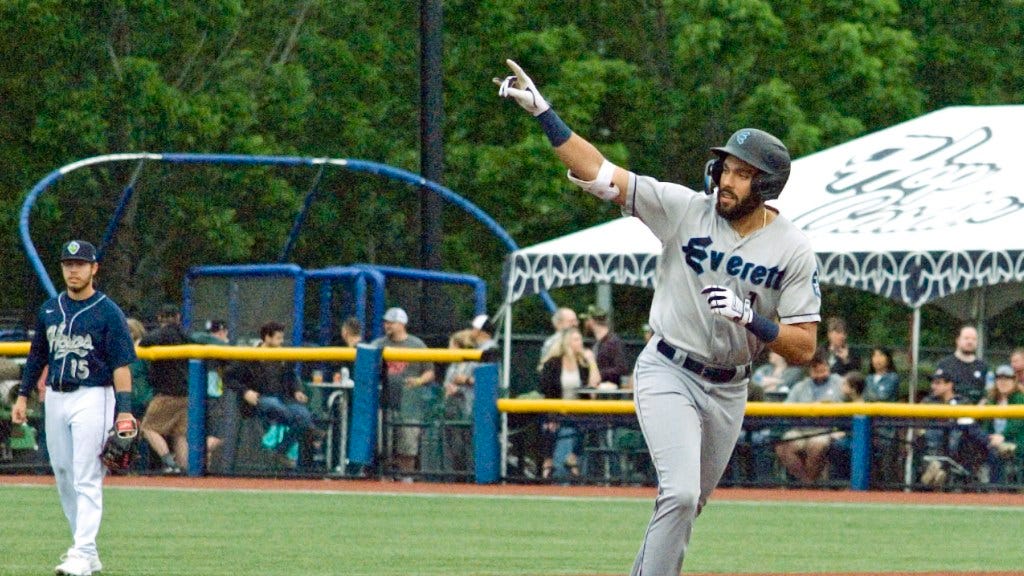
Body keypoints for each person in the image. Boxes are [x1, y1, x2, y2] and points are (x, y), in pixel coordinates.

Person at [497, 59, 820, 574]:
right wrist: (545, 114)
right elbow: (602, 174)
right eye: (725, 168)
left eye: (741, 173)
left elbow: (805, 348)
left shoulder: (793, 249)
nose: (726, 180)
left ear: (768, 185)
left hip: (729, 388)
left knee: (689, 504)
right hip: (669, 367)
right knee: (681, 492)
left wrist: (752, 319)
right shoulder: (686, 208)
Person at [10, 239, 137, 576]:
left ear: (94, 268)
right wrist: (23, 395)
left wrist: (124, 411)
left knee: (86, 474)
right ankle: (87, 550)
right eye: (68, 264)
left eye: (80, 264)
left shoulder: (108, 311)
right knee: (64, 475)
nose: (74, 270)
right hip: (56, 396)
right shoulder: (50, 309)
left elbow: (122, 365)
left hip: (94, 394)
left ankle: (80, 552)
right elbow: (38, 355)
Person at [223, 321, 323, 470]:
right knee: (277, 407)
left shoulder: (283, 355)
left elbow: (292, 377)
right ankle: (310, 430)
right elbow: (228, 377)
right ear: (267, 338)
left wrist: (297, 390)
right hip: (259, 400)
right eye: (278, 338)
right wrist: (245, 392)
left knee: (303, 413)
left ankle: (281, 451)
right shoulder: (249, 356)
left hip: (283, 400)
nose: (281, 342)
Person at [371, 307, 435, 478]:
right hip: (384, 402)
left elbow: (429, 371)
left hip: (410, 404)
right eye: (386, 323)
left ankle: (406, 481)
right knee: (384, 445)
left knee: (408, 446)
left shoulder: (417, 345)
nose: (387, 326)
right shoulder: (378, 344)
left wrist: (419, 381)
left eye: (391, 323)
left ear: (402, 324)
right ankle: (386, 479)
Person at [537, 327, 600, 480]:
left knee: (591, 424)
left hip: (577, 411)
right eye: (576, 340)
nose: (580, 343)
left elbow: (594, 385)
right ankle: (548, 463)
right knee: (549, 427)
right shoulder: (553, 363)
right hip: (555, 409)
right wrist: (553, 413)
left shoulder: (582, 364)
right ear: (567, 343)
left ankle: (572, 458)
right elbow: (545, 389)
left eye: (580, 340)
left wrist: (591, 361)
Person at [773, 351, 844, 483]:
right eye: (817, 370)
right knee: (782, 447)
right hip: (801, 429)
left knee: (815, 447)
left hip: (826, 429)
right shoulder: (801, 387)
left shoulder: (839, 382)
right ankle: (806, 482)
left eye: (824, 369)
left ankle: (807, 486)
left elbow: (849, 402)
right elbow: (786, 408)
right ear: (810, 371)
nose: (821, 374)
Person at [138, 304, 191, 474]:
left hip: (166, 393)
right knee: (179, 434)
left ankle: (170, 462)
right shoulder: (186, 336)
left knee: (148, 428)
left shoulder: (159, 335)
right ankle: (185, 469)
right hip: (186, 393)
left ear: (160, 318)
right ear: (178, 317)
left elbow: (144, 343)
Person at [918, 368, 990, 487]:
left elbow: (971, 423)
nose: (933, 386)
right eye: (933, 383)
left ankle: (938, 468)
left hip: (957, 446)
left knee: (959, 431)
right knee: (933, 432)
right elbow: (918, 422)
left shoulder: (963, 401)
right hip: (932, 443)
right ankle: (938, 468)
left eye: (938, 383)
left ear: (949, 385)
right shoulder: (928, 401)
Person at [190, 319, 230, 462]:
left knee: (212, 436)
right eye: (213, 333)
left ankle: (197, 464)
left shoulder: (226, 348)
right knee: (218, 435)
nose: (215, 335)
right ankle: (192, 455)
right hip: (210, 397)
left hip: (210, 396)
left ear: (224, 331)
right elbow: (196, 336)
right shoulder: (204, 342)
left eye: (218, 332)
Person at [441, 329, 478, 475]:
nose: (449, 349)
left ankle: (471, 476)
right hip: (453, 411)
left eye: (452, 346)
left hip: (470, 411)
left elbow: (485, 383)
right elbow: (447, 385)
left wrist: (466, 381)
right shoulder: (453, 367)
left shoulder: (474, 364)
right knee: (454, 447)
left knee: (470, 446)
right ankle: (457, 477)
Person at [980, 364, 1024, 483]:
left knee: (998, 452)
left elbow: (1018, 423)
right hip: (994, 440)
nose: (1003, 382)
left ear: (1014, 380)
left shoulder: (1020, 397)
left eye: (1007, 378)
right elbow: (986, 425)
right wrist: (989, 437)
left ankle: (999, 489)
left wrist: (1002, 435)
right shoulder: (992, 399)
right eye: (999, 378)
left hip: (1016, 441)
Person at [935, 325, 989, 404]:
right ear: (958, 340)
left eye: (974, 339)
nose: (970, 342)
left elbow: (988, 393)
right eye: (966, 338)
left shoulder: (983, 366)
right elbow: (937, 392)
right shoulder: (944, 365)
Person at [581, 304, 629, 387]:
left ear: (592, 321)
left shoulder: (613, 342)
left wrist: (598, 373)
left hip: (609, 392)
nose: (585, 323)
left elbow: (622, 368)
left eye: (586, 320)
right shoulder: (598, 342)